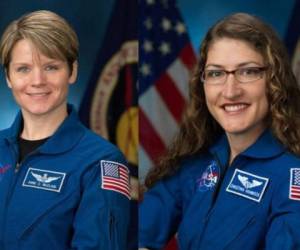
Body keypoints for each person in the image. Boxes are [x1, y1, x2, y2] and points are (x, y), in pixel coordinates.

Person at [139, 12, 300, 250]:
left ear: (274, 80)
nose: (230, 91)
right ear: (202, 83)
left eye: (248, 71)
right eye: (216, 73)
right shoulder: (196, 161)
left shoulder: (291, 176)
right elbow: (140, 233)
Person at [0, 10, 130, 250]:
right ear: (8, 76)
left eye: (51, 67)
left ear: (72, 71)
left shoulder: (102, 162)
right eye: (23, 69)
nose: (37, 80)